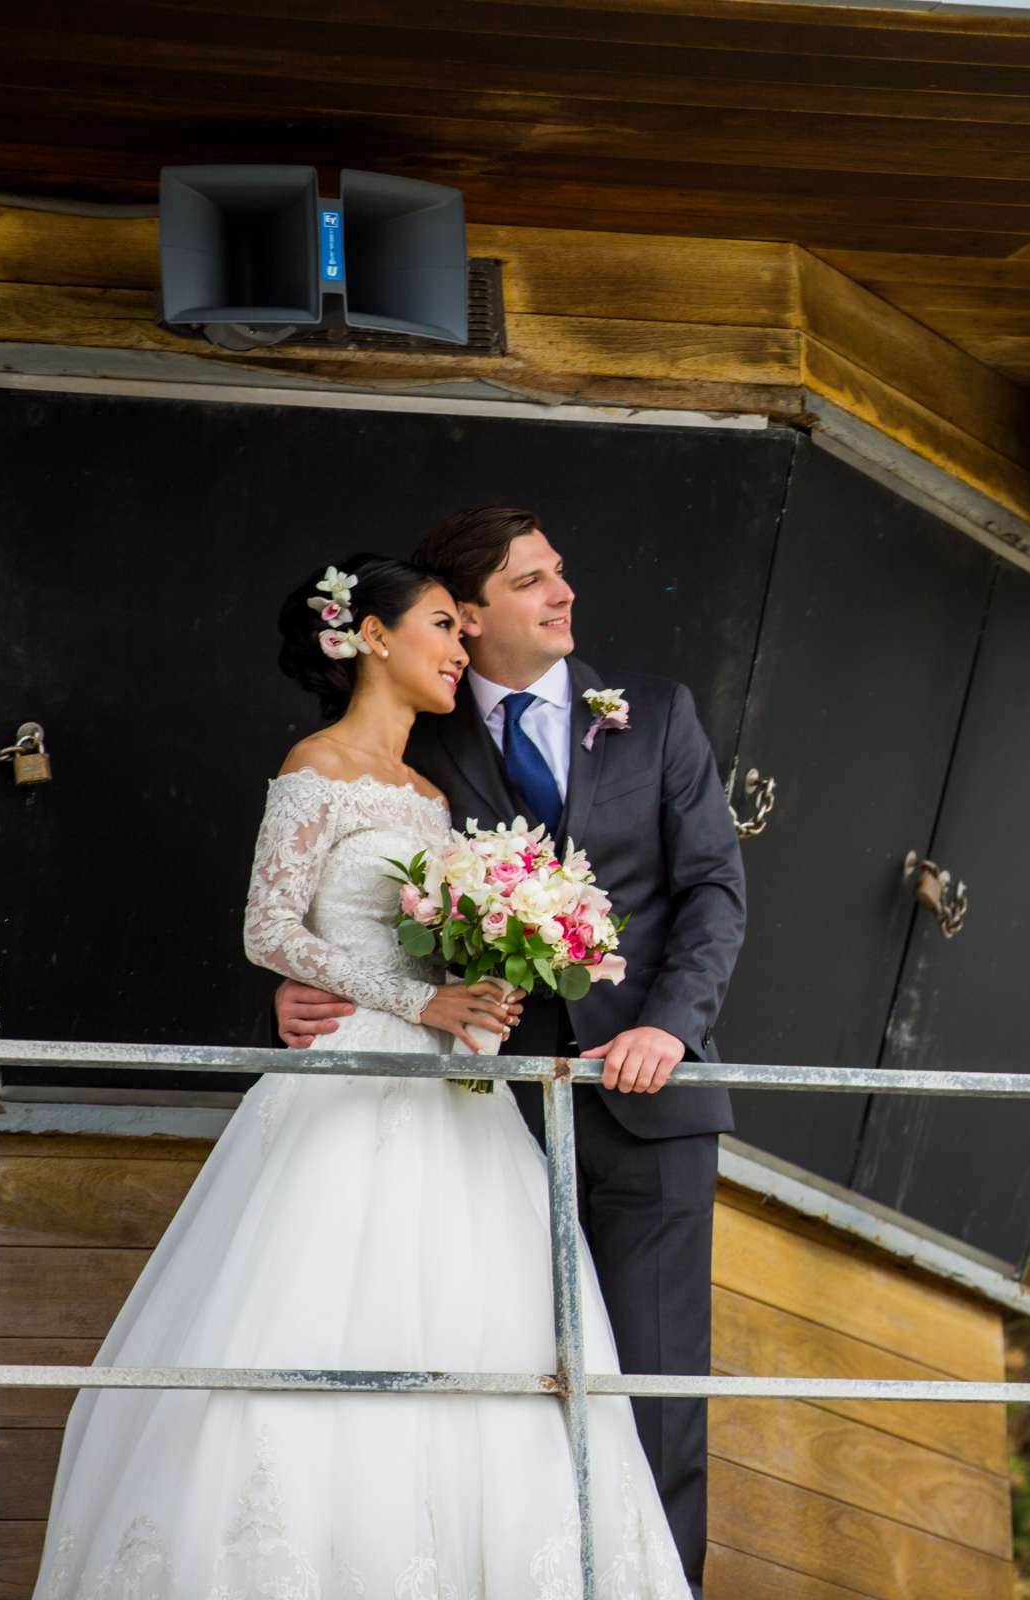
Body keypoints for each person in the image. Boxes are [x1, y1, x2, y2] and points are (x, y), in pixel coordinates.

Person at [33, 555, 692, 1596]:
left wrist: (482, 988)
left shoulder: (435, 796)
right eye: (442, 624)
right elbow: (268, 926)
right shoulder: (316, 766)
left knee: (492, 1335)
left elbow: (427, 949)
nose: (460, 646)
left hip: (457, 1101)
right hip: (347, 1092)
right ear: (375, 636)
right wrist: (411, 1001)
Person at [275, 508, 744, 1590]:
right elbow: (327, 892)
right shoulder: (414, 738)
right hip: (479, 1119)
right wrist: (287, 1004)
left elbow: (715, 889)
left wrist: (668, 1026)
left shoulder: (660, 716)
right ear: (469, 618)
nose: (562, 591)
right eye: (533, 579)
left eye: (561, 571)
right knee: (496, 1398)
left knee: (656, 1399)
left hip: (649, 1109)